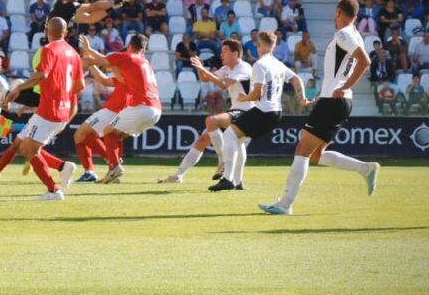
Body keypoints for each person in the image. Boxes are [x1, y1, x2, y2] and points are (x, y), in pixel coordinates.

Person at [260, 0, 380, 215]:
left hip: (335, 100)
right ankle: (365, 168)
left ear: (338, 12)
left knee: (302, 150)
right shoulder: (354, 35)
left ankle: (285, 204)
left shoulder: (344, 34)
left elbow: (365, 62)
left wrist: (344, 87)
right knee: (315, 155)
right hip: (337, 101)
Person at [211, 30, 309, 193]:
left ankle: (228, 179)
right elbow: (296, 79)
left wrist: (245, 98)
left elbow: (258, 92)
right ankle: (238, 181)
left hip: (263, 110)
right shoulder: (278, 64)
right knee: (238, 140)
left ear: (259, 45)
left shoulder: (259, 65)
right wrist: (302, 98)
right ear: (274, 46)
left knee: (229, 134)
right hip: (276, 112)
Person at [3, 17, 82, 200]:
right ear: (66, 33)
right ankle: (63, 167)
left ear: (46, 31)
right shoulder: (73, 53)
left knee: (29, 150)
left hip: (49, 109)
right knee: (28, 147)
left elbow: (41, 75)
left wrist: (19, 88)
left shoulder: (48, 49)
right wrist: (64, 96)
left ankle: (53, 190)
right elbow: (80, 85)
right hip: (64, 109)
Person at [160, 39, 252, 184]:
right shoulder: (227, 68)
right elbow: (204, 78)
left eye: (225, 51)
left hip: (247, 113)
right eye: (221, 51)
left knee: (212, 122)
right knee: (205, 138)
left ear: (235, 54)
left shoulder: (243, 67)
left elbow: (222, 85)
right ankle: (178, 175)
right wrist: (199, 66)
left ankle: (223, 162)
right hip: (235, 111)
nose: (221, 54)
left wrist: (203, 69)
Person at [79, 32, 162, 184]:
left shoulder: (127, 57)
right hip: (156, 111)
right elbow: (107, 72)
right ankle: (113, 169)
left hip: (142, 107)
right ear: (143, 49)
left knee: (107, 131)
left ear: (129, 46)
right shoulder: (145, 64)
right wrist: (93, 57)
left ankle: (114, 167)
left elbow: (102, 60)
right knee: (115, 135)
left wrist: (88, 52)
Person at [69, 65, 129, 183]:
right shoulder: (137, 73)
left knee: (80, 135)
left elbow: (104, 81)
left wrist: (91, 62)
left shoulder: (127, 72)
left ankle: (111, 163)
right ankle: (109, 166)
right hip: (122, 110)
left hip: (113, 109)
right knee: (87, 136)